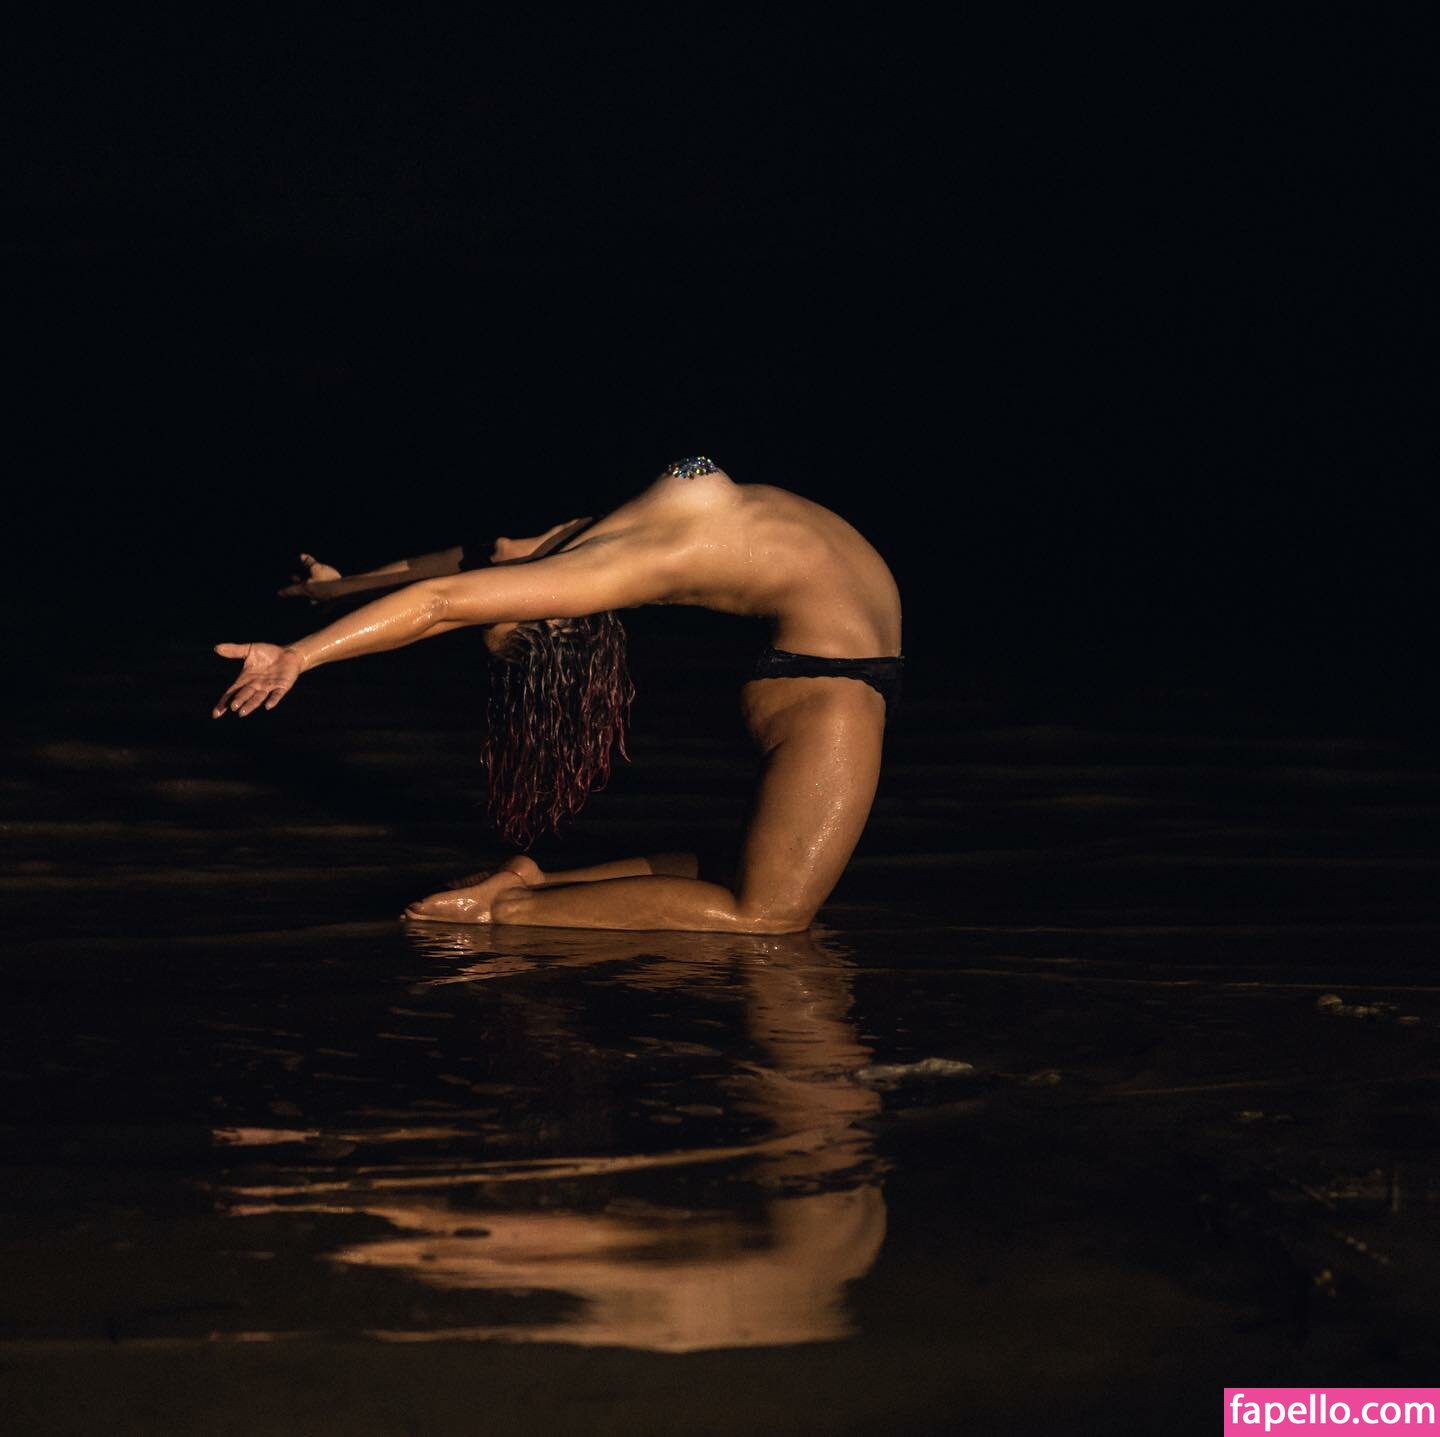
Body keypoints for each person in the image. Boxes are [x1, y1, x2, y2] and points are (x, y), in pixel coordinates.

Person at [212, 458, 902, 933]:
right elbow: (442, 604)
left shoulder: (587, 538)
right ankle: (507, 913)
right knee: (770, 917)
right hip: (832, 684)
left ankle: (532, 883)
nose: (501, 563)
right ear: (554, 609)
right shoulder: (604, 563)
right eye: (505, 605)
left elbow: (460, 570)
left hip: (831, 670)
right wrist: (301, 653)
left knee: (738, 870)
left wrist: (339, 592)